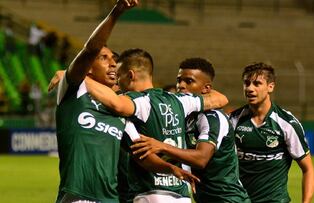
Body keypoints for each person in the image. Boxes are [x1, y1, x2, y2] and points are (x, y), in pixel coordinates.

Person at [54, 1, 198, 202]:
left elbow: (142, 156)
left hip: (111, 199)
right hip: (78, 197)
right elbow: (89, 50)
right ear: (88, 67)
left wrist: (172, 169)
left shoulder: (121, 109)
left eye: (113, 58)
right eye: (103, 58)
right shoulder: (73, 91)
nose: (113, 62)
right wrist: (116, 12)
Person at [84, 49, 229, 203]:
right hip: (181, 194)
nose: (117, 83)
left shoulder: (139, 102)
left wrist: (76, 77)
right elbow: (221, 99)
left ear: (131, 75)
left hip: (151, 193)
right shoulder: (180, 100)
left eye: (119, 77)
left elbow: (117, 105)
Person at [130, 57, 251, 203]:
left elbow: (201, 159)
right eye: (179, 80)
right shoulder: (184, 115)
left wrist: (161, 146)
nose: (181, 85)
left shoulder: (212, 117)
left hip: (228, 199)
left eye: (189, 81)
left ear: (206, 88)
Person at [228, 62, 314, 203]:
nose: (250, 88)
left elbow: (308, 169)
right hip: (240, 200)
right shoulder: (233, 120)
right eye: (246, 83)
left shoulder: (287, 123)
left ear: (270, 87)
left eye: (257, 84)